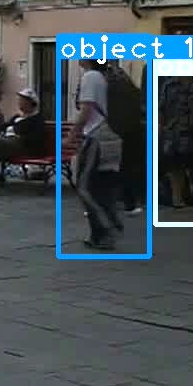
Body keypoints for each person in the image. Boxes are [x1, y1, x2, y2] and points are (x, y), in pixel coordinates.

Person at [70, 59, 125, 249]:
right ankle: (101, 233)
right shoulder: (104, 77)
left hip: (96, 138)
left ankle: (106, 230)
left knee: (85, 187)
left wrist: (72, 135)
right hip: (110, 136)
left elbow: (86, 109)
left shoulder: (90, 77)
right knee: (102, 187)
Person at [0, 88, 50, 196]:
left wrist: (17, 133)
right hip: (8, 145)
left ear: (30, 103)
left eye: (22, 100)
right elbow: (2, 126)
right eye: (19, 100)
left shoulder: (37, 119)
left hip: (24, 147)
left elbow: (36, 138)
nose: (19, 103)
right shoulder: (17, 117)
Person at [158, 75, 193, 208]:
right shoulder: (170, 84)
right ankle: (177, 198)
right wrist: (161, 127)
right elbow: (162, 107)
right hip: (176, 130)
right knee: (176, 165)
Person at [106, 62, 148, 214]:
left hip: (113, 128)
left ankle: (112, 201)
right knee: (126, 166)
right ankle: (129, 201)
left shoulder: (100, 79)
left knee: (111, 167)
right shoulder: (122, 77)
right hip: (129, 127)